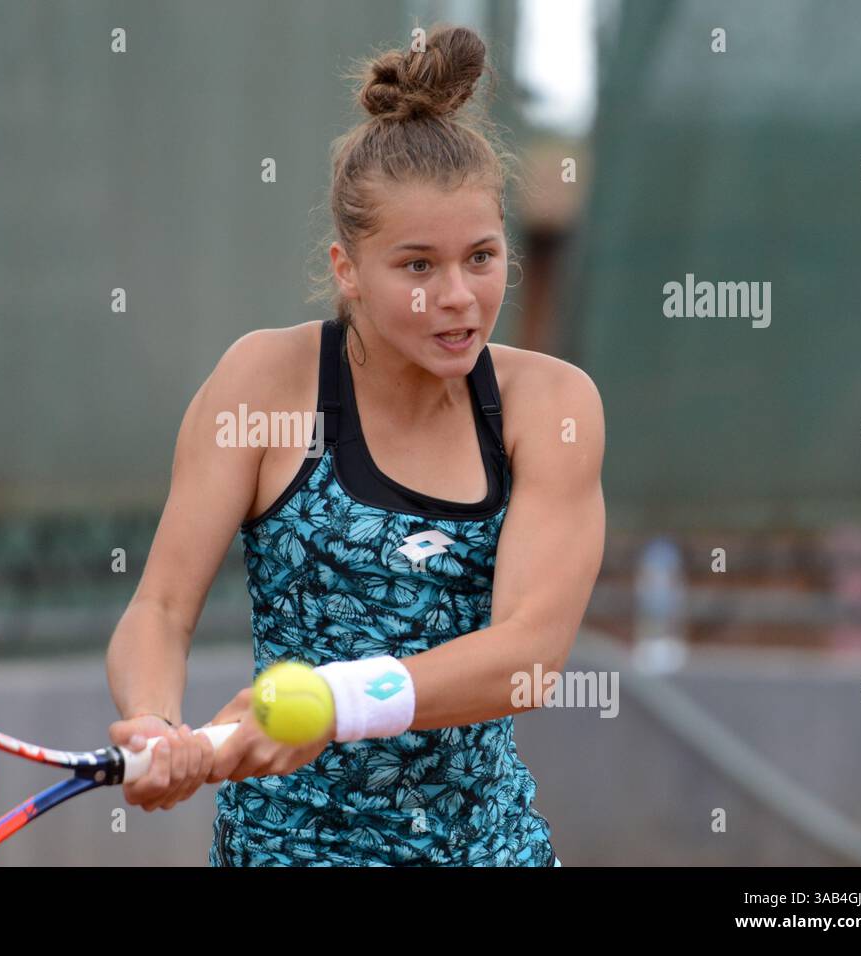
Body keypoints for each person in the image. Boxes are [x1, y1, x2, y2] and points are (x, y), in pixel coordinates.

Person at [105, 23, 604, 866]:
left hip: (488, 849)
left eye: (481, 257)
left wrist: (330, 701)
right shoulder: (262, 382)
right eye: (417, 267)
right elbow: (158, 609)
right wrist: (157, 724)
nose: (458, 298)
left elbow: (531, 652)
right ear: (348, 268)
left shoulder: (551, 406)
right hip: (282, 850)